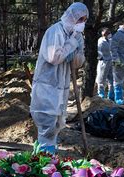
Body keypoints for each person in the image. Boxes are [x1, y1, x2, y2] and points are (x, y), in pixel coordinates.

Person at [30, 2, 88, 153]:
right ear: (72, 17)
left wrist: (77, 50)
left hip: (61, 87)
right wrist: (72, 43)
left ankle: (45, 157)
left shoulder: (76, 35)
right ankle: (44, 159)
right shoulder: (55, 31)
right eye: (80, 19)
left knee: (56, 124)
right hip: (47, 85)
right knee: (46, 124)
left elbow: (77, 63)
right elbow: (54, 57)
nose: (82, 23)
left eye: (84, 20)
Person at [96, 27, 114, 100]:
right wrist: (100, 57)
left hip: (110, 61)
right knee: (101, 79)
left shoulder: (110, 40)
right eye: (107, 33)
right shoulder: (101, 41)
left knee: (111, 79)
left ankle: (111, 95)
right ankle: (101, 95)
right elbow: (99, 52)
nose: (109, 34)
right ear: (103, 33)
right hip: (103, 61)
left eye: (109, 33)